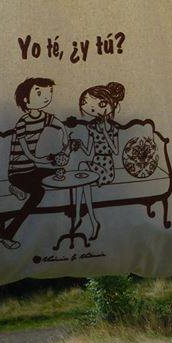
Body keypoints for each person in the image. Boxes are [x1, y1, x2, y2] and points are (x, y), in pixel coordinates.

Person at [0, 77, 62, 250]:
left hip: (32, 169)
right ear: (26, 99)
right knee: (38, 193)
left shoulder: (44, 117)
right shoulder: (22, 123)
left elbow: (61, 126)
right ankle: (7, 235)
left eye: (48, 93)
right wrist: (43, 160)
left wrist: (64, 138)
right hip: (18, 173)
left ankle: (17, 189)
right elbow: (27, 152)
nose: (46, 97)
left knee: (59, 172)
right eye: (39, 93)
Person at [73, 82, 125, 240]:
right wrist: (79, 144)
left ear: (110, 104)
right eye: (90, 108)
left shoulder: (112, 128)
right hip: (95, 163)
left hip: (106, 167)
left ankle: (80, 218)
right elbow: (89, 151)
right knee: (83, 173)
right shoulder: (91, 127)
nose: (94, 111)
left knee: (83, 178)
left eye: (100, 105)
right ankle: (88, 220)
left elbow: (115, 151)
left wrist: (105, 132)